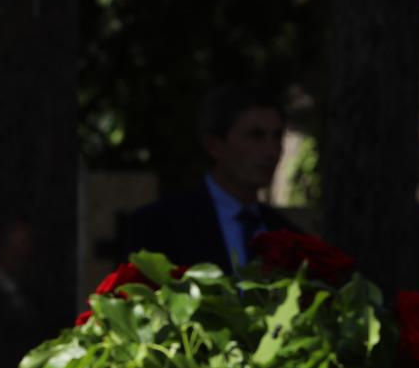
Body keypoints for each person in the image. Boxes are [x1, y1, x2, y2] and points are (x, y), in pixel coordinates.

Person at [122, 84, 297, 272]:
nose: (271, 151)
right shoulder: (159, 226)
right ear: (215, 145)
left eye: (277, 137)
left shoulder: (288, 236)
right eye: (256, 136)